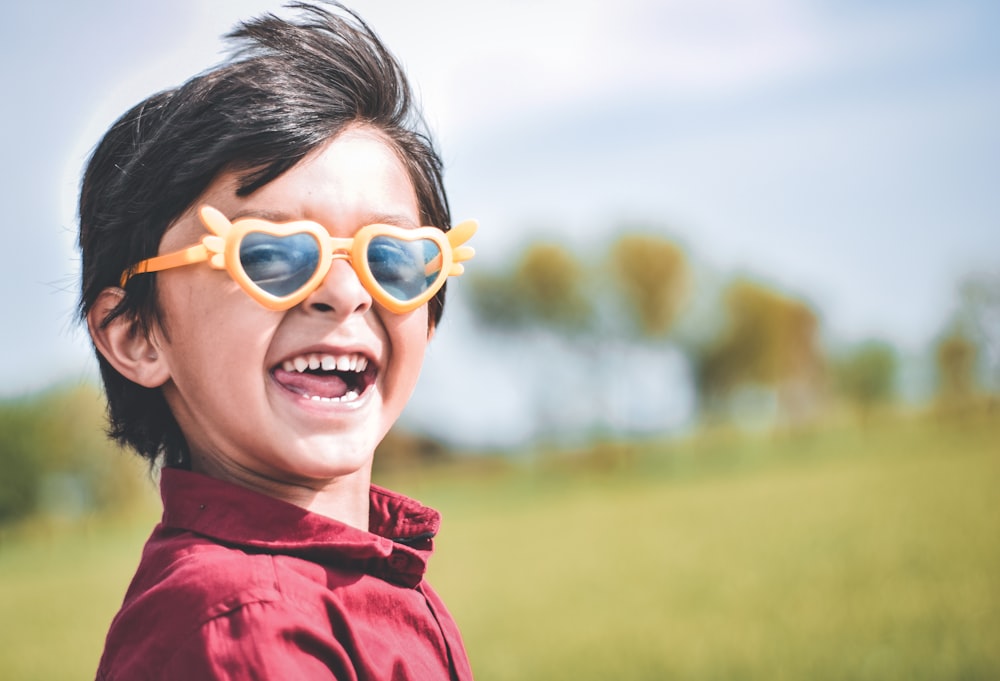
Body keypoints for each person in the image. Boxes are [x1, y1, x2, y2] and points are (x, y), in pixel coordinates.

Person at [78, 2, 476, 678]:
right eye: (268, 254)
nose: (346, 292)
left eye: (392, 259)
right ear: (137, 334)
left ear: (429, 313)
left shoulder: (365, 579)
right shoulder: (241, 622)